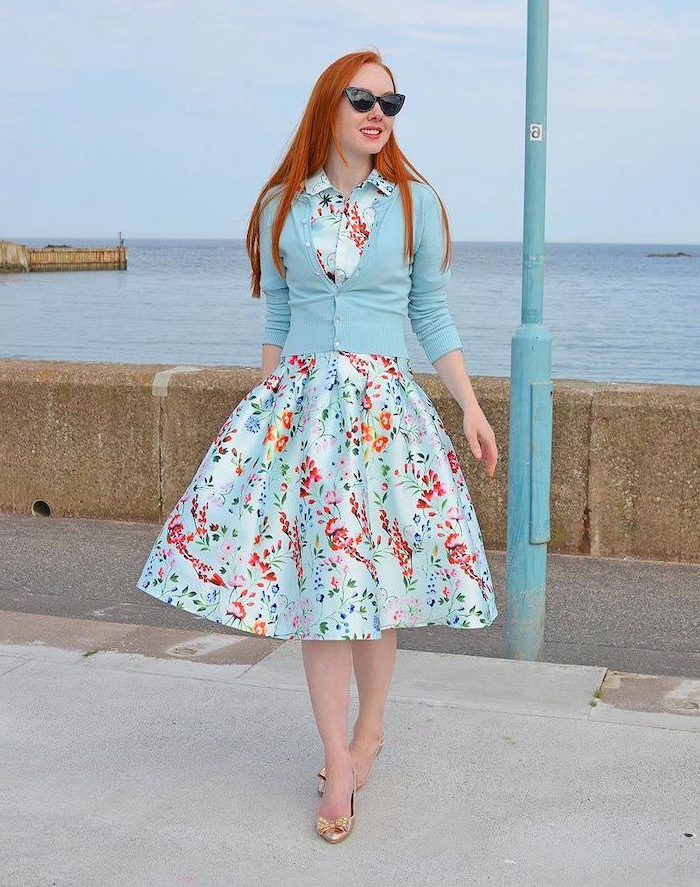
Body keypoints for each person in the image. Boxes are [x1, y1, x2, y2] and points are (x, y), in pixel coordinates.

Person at [136, 48, 499, 844]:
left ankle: (371, 731)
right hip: (299, 415)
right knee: (323, 594)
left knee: (375, 587)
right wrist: (264, 418)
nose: (380, 113)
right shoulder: (279, 207)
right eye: (363, 97)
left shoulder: (416, 205)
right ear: (328, 106)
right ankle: (338, 758)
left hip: (382, 420)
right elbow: (276, 319)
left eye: (392, 101)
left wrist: (470, 407)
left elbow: (430, 317)